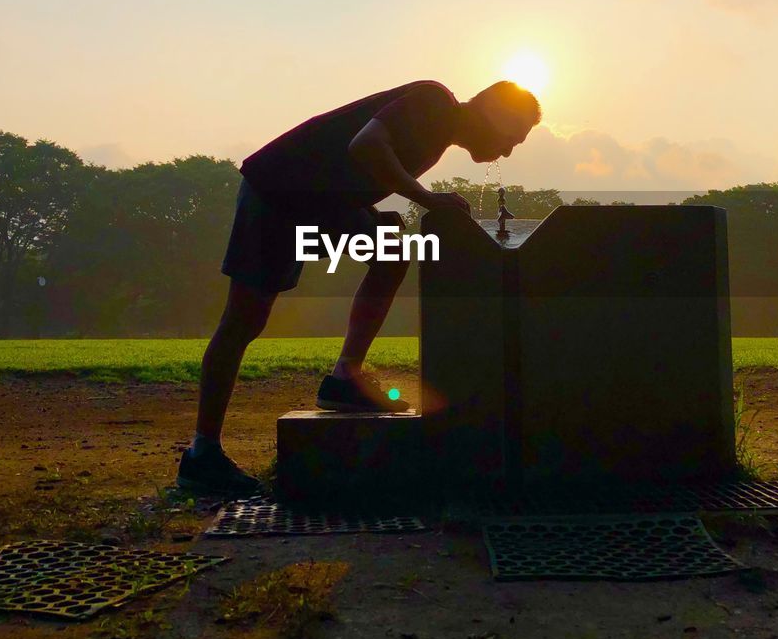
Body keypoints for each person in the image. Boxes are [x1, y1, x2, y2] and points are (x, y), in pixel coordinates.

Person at [177, 79, 542, 494]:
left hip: (320, 202)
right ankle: (201, 454)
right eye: (512, 139)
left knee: (390, 253)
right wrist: (428, 200)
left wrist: (377, 214)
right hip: (278, 193)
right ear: (492, 116)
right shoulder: (435, 102)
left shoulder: (437, 134)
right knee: (244, 321)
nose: (508, 151)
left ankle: (344, 379)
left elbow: (353, 165)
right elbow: (364, 146)